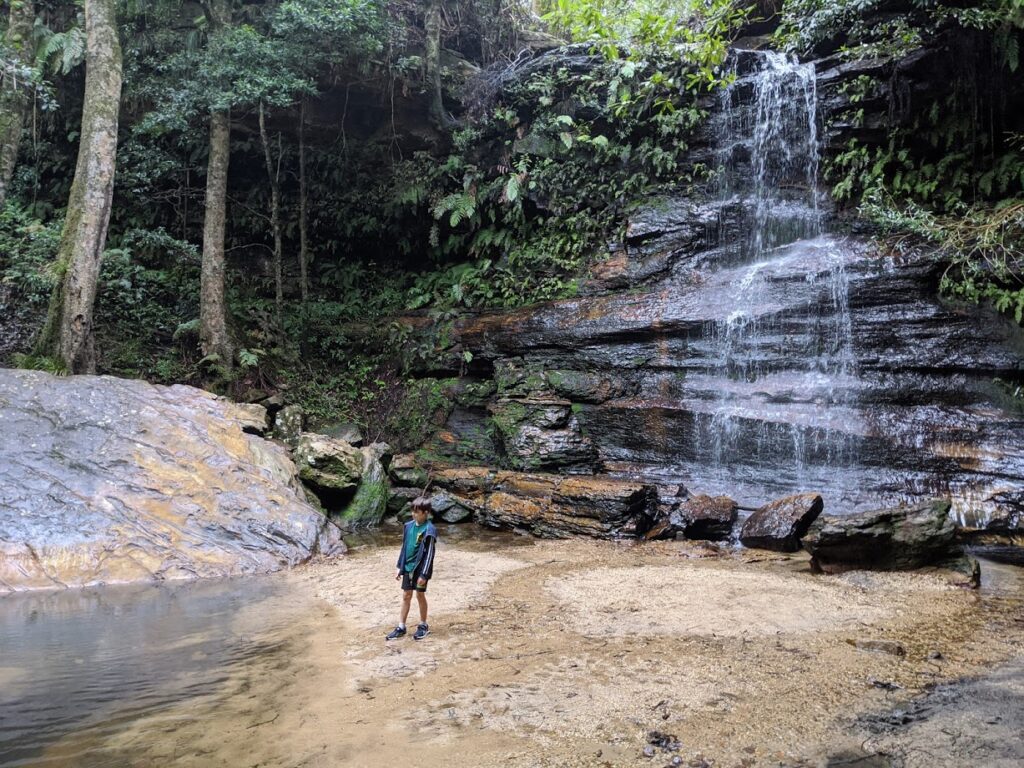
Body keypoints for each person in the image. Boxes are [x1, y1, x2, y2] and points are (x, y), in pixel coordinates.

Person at [386, 496, 437, 641]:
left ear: (426, 512)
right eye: (413, 511)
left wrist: (424, 574)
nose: (414, 514)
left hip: (420, 570)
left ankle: (423, 625)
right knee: (406, 595)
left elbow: (429, 556)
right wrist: (399, 567)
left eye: (417, 512)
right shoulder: (408, 526)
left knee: (419, 595)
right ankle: (401, 626)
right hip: (407, 568)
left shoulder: (430, 530)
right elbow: (404, 548)